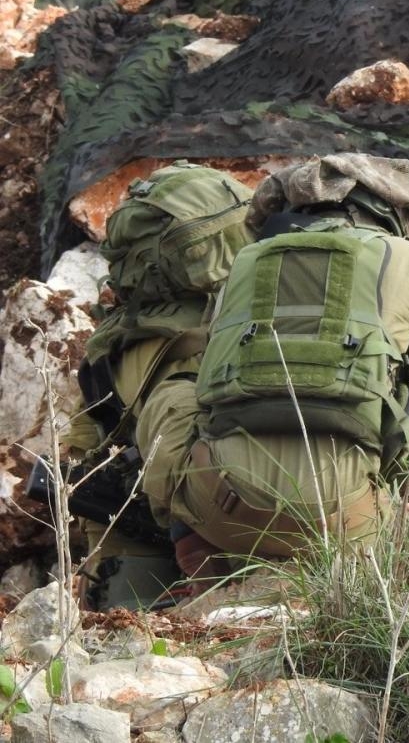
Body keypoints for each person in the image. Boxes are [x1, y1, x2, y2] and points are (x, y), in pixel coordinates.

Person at [134, 154, 409, 591]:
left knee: (175, 391)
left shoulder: (244, 262)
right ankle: (383, 518)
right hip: (350, 525)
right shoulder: (407, 258)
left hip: (226, 512)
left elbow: (209, 384)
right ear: (390, 212)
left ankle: (194, 540)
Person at [60, 162, 257, 609]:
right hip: (238, 520)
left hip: (142, 534)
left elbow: (81, 450)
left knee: (126, 628)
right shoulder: (254, 322)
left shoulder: (116, 339)